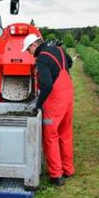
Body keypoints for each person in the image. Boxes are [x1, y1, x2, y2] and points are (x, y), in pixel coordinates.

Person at [22, 34, 74, 186]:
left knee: (50, 136)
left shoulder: (42, 58)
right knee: (65, 134)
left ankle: (56, 176)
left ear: (33, 45)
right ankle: (68, 169)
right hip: (68, 95)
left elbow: (46, 85)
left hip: (55, 100)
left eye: (28, 50)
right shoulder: (58, 50)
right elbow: (69, 63)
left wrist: (37, 105)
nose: (29, 53)